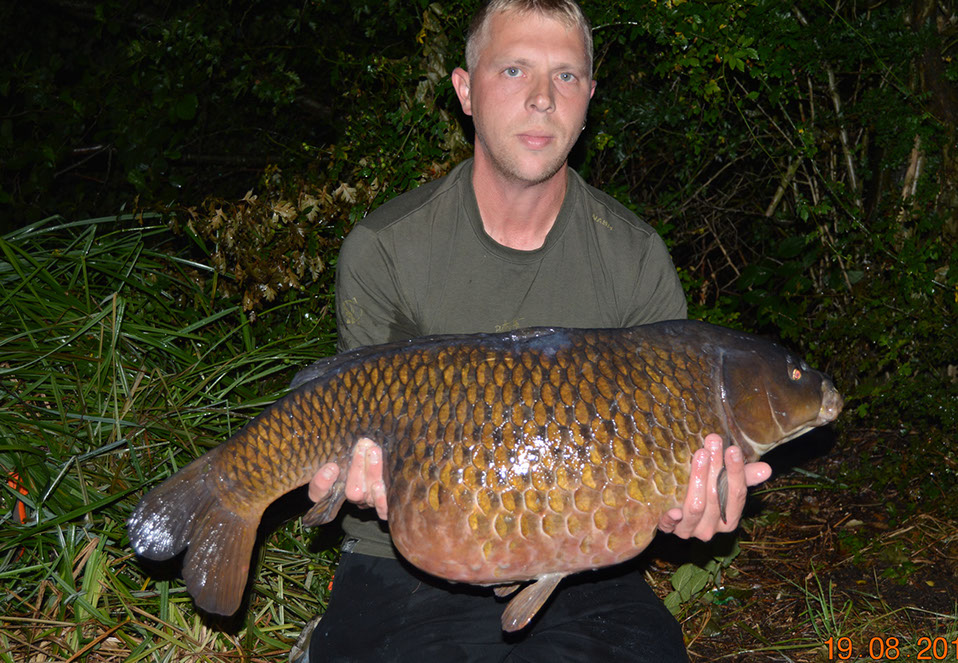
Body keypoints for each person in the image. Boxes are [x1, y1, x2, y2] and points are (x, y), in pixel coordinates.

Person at [294, 1, 771, 660]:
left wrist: (685, 505)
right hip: (406, 562)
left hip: (584, 564)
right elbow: (353, 414)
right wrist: (358, 473)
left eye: (567, 76)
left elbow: (660, 470)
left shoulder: (634, 259)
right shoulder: (386, 247)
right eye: (515, 70)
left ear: (590, 96)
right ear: (464, 89)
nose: (543, 99)